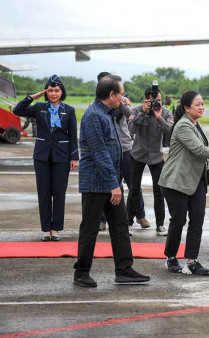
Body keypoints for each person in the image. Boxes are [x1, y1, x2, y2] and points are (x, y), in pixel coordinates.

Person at [75, 75, 150, 287]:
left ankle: (124, 269)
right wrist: (113, 184)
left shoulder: (107, 113)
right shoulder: (93, 116)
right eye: (121, 94)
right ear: (111, 95)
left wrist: (114, 183)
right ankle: (81, 272)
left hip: (110, 183)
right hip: (96, 184)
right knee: (89, 228)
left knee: (119, 226)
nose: (123, 97)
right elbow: (100, 154)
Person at [159, 91, 209, 276]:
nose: (202, 107)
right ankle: (171, 257)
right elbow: (199, 149)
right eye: (197, 104)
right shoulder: (183, 125)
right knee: (178, 221)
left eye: (203, 104)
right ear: (186, 108)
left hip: (196, 181)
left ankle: (192, 261)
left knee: (197, 220)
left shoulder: (195, 123)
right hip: (176, 181)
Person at [13, 75, 78, 241]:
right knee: (43, 193)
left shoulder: (69, 110)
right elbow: (17, 110)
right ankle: (45, 229)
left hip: (62, 156)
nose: (53, 93)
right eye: (50, 90)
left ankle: (55, 228)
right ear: (45, 92)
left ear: (62, 91)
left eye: (56, 90)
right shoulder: (39, 107)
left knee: (59, 193)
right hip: (41, 156)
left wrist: (74, 157)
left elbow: (73, 135)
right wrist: (32, 97)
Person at [95, 73, 149, 234]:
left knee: (134, 185)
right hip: (109, 149)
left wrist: (121, 103)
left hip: (125, 147)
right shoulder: (97, 107)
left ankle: (140, 215)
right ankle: (103, 219)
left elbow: (131, 115)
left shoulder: (121, 101)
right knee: (110, 185)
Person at [127, 86, 173, 236]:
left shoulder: (165, 112)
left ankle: (160, 224)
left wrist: (159, 117)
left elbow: (171, 131)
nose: (156, 103)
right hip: (137, 155)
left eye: (159, 100)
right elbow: (132, 130)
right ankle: (128, 223)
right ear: (146, 100)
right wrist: (143, 112)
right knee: (133, 190)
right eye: (153, 101)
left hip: (156, 156)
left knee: (159, 191)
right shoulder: (136, 110)